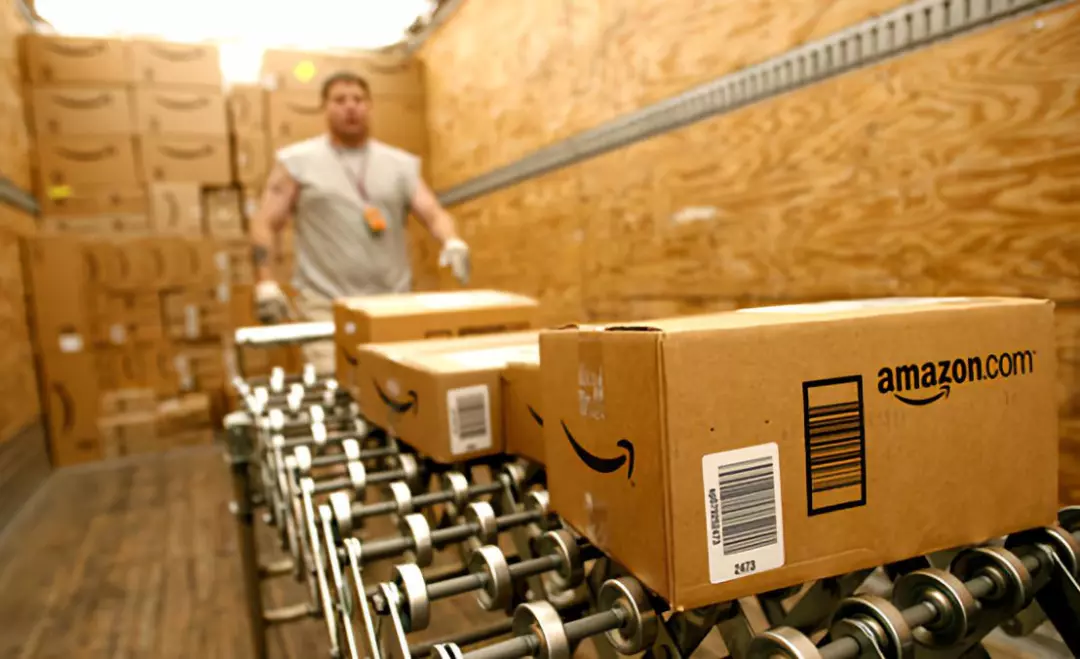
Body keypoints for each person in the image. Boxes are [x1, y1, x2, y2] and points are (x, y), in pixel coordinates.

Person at [249, 71, 471, 374]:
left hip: (393, 307)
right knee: (342, 389)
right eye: (340, 100)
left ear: (370, 106)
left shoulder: (399, 165)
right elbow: (264, 222)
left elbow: (433, 213)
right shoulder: (298, 163)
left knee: (397, 386)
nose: (350, 106)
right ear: (325, 107)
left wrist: (452, 241)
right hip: (327, 310)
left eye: (358, 99)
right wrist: (265, 282)